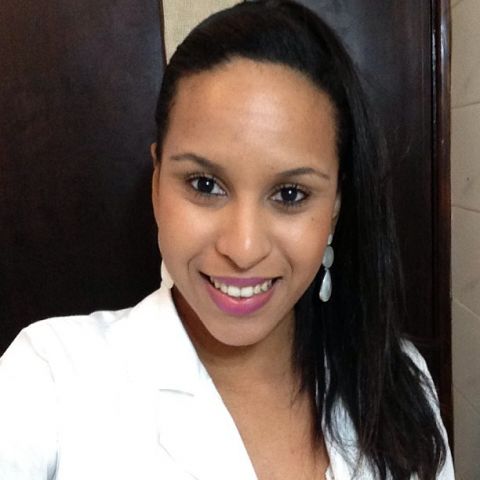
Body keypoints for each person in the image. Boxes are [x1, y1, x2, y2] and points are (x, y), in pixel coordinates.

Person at [0, 1, 454, 479]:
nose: (243, 248)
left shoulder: (398, 382)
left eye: (290, 193)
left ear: (335, 208)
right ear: (156, 184)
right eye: (204, 185)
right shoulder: (48, 379)